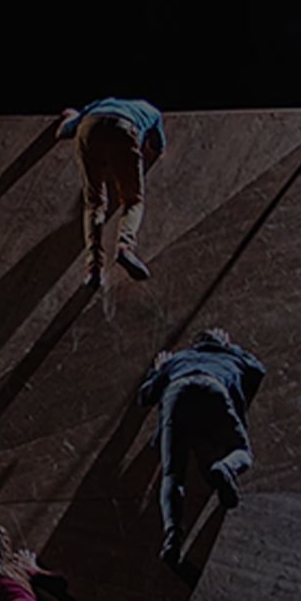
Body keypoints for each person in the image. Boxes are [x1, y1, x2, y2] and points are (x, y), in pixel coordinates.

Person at [137, 327, 266, 566]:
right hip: (213, 389)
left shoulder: (178, 359)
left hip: (177, 392)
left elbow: (145, 397)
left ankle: (172, 537)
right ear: (222, 342)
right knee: (241, 451)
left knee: (173, 474)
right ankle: (225, 468)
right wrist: (230, 348)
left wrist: (158, 370)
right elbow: (258, 370)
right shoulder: (230, 356)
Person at [55, 97, 166, 289]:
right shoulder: (152, 111)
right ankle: (125, 247)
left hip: (89, 127)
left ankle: (94, 268)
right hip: (125, 128)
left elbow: (63, 132)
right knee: (133, 201)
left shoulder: (98, 104)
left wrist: (71, 117)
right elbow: (157, 147)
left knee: (94, 204)